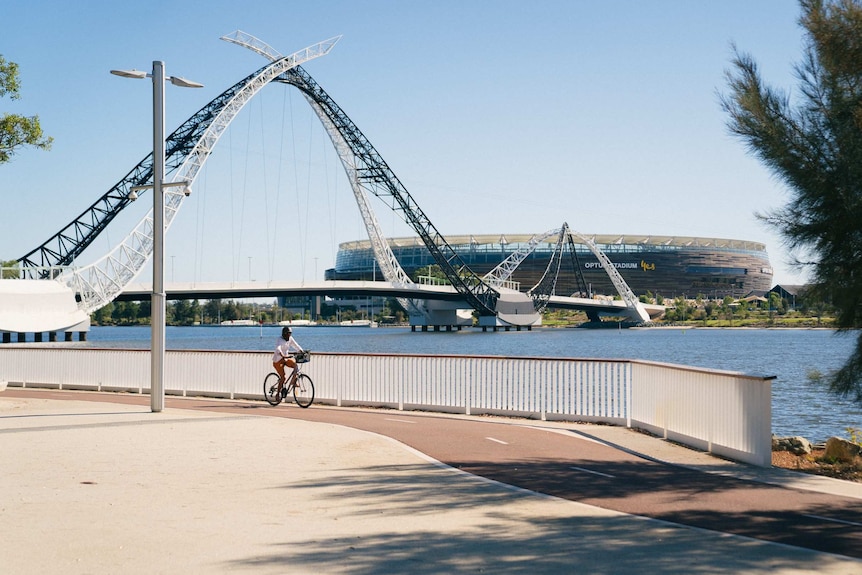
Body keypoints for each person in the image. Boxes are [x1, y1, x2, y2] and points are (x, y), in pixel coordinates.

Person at [272, 326, 303, 395]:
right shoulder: (279, 339)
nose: (289, 335)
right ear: (284, 334)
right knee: (283, 378)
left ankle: (293, 382)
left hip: (285, 359)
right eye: (288, 334)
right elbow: (278, 348)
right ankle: (277, 394)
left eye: (290, 334)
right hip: (277, 361)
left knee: (295, 366)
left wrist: (301, 351)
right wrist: (282, 355)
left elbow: (296, 345)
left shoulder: (290, 339)